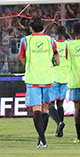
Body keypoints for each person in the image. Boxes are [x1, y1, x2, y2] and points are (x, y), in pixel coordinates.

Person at [18, 17, 59, 148]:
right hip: (47, 78)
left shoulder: (25, 41)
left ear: (31, 28)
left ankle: (42, 140)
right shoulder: (50, 41)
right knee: (45, 109)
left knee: (36, 109)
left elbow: (22, 59)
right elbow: (57, 60)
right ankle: (41, 140)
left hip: (33, 79)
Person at [48, 26, 70, 138]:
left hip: (54, 76)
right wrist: (66, 33)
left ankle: (59, 123)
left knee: (49, 104)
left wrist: (50, 25)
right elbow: (71, 39)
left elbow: (43, 35)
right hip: (65, 77)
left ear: (55, 33)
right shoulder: (68, 44)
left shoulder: (52, 43)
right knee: (60, 104)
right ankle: (60, 131)